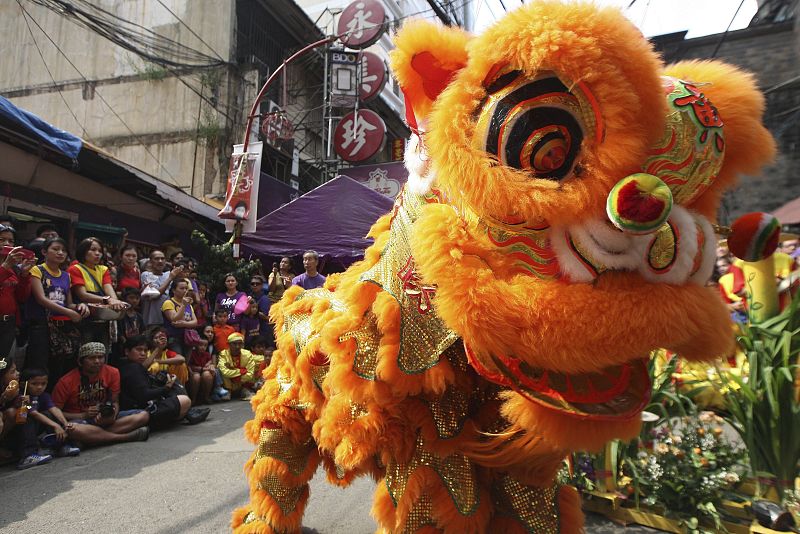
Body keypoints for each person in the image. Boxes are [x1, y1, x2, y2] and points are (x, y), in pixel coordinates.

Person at [51, 342, 150, 447]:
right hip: (80, 421)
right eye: (92, 358)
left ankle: (92, 438)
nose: (97, 361)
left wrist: (112, 414)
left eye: (100, 357)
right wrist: (83, 415)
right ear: (81, 361)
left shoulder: (113, 372)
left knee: (143, 415)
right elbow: (55, 412)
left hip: (103, 419)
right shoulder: (66, 381)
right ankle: (124, 437)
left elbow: (115, 401)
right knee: (73, 429)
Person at [25, 238, 90, 382]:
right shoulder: (37, 270)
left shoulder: (66, 275)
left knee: (58, 367)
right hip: (41, 325)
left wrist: (81, 306)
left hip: (61, 328)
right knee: (38, 366)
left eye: (64, 250)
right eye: (55, 249)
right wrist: (68, 312)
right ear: (44, 251)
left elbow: (69, 303)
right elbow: (41, 299)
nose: (60, 253)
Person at [118, 335, 199, 429]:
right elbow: (144, 395)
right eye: (139, 350)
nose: (143, 353)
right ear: (127, 351)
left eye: (145, 350)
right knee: (184, 401)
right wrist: (166, 388)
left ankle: (187, 412)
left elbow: (181, 359)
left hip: (143, 405)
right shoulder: (133, 368)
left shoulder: (130, 365)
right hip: (141, 410)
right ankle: (186, 413)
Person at [67, 237, 127, 347]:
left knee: (102, 349)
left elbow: (108, 288)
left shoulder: (103, 269)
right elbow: (82, 295)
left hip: (102, 318)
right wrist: (108, 300)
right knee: (86, 348)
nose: (97, 253)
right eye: (93, 250)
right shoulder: (75, 269)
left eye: (100, 251)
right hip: (84, 316)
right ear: (83, 251)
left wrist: (115, 301)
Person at [16, 368, 80, 468]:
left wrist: (65, 423)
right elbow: (33, 412)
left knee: (51, 414)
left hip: (37, 426)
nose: (39, 387)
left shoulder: (44, 396)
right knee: (27, 418)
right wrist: (54, 425)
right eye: (35, 384)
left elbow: (53, 408)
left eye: (43, 384)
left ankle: (60, 446)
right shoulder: (22, 397)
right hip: (20, 431)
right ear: (24, 385)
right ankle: (27, 455)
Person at [0, 228, 34, 360]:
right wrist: (5, 267)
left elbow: (22, 297)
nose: (7, 244)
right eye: (1, 240)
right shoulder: (9, 266)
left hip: (9, 323)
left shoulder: (14, 268)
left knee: (5, 365)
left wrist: (25, 275)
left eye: (11, 241)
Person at [140, 249, 184, 328]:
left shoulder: (168, 274)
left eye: (162, 258)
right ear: (150, 262)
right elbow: (155, 295)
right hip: (152, 321)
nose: (160, 261)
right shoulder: (146, 275)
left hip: (169, 320)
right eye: (156, 259)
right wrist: (170, 278)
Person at [161, 278, 198, 357]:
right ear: (174, 290)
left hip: (188, 338)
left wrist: (184, 323)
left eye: (186, 288)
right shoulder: (169, 303)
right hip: (174, 339)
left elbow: (195, 322)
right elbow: (174, 319)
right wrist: (183, 305)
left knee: (186, 362)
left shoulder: (189, 305)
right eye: (181, 288)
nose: (185, 291)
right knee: (179, 361)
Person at [217, 332, 257, 400]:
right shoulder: (223, 354)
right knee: (221, 371)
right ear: (229, 345)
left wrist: (236, 377)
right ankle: (228, 392)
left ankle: (245, 391)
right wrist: (240, 371)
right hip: (228, 383)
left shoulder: (247, 354)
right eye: (234, 344)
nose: (237, 346)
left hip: (242, 383)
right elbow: (224, 372)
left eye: (240, 344)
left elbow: (250, 374)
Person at [188, 336, 216, 404]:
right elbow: (190, 366)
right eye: (201, 345)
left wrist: (210, 364)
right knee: (196, 377)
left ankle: (206, 397)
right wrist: (202, 368)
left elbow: (210, 362)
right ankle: (193, 399)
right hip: (194, 372)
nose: (203, 347)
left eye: (205, 345)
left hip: (203, 372)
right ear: (196, 345)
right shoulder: (192, 353)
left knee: (207, 375)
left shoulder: (206, 354)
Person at [248, 274, 272, 345]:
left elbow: (265, 316)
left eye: (257, 284)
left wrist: (253, 307)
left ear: (262, 285)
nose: (255, 285)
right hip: (250, 330)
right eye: (253, 284)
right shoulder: (248, 296)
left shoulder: (265, 299)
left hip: (262, 331)